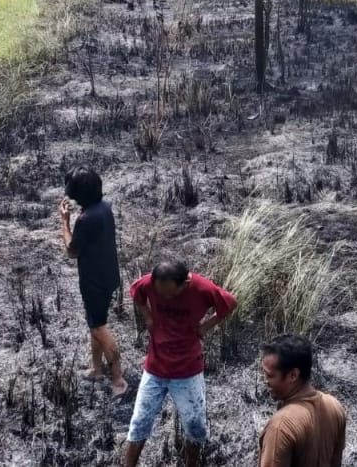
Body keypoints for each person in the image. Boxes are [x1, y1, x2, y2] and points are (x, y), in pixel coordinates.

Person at [124, 260, 237, 467]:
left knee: (195, 427)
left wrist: (205, 327)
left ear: (185, 283)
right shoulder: (150, 282)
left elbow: (229, 303)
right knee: (139, 422)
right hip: (155, 367)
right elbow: (137, 293)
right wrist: (148, 316)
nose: (165, 298)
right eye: (160, 293)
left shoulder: (202, 288)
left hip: (187, 370)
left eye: (169, 293)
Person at [59, 168, 126, 396]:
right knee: (94, 324)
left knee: (99, 328)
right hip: (108, 275)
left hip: (93, 281)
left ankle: (118, 379)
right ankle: (96, 369)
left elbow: (71, 251)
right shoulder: (105, 208)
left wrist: (65, 222)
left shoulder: (86, 220)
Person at [259, 335, 347, 467]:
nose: (265, 381)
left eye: (270, 375)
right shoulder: (335, 407)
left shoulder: (280, 427)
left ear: (293, 375)